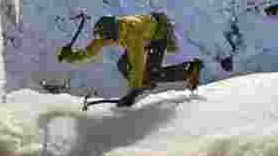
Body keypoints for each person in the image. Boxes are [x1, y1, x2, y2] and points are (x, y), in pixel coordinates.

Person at [57, 11, 203, 107]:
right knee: (123, 65)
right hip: (146, 34)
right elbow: (91, 50)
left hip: (158, 35)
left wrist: (133, 91)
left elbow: (137, 63)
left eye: (105, 39)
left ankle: (190, 69)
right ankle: (143, 84)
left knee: (150, 73)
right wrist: (71, 56)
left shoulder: (131, 34)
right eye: (102, 38)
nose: (103, 41)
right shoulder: (109, 31)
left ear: (111, 34)